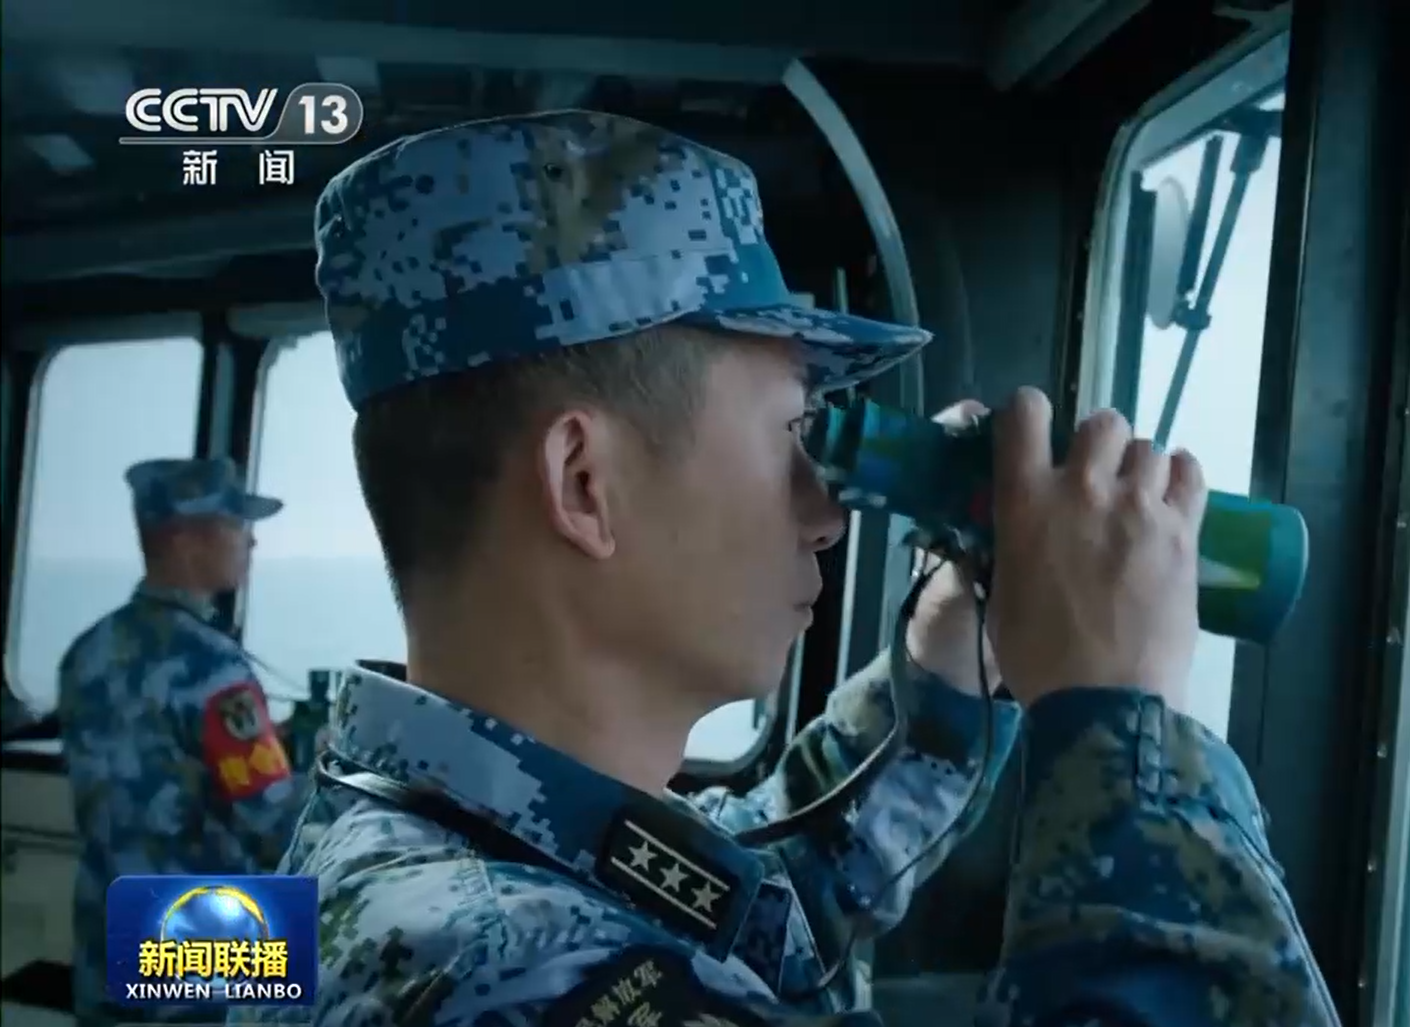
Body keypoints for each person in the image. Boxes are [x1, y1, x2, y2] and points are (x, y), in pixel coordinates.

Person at [236, 111, 1337, 1027]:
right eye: (791, 434)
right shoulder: (515, 971)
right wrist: (1123, 723)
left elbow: (745, 906)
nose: (827, 511)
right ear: (584, 484)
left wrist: (946, 662)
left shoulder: (423, 846)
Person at [58, 457, 309, 1027]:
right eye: (236, 524)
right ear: (186, 539)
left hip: (106, 934)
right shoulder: (211, 666)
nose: (251, 540)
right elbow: (273, 825)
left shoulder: (87, 652)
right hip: (195, 946)